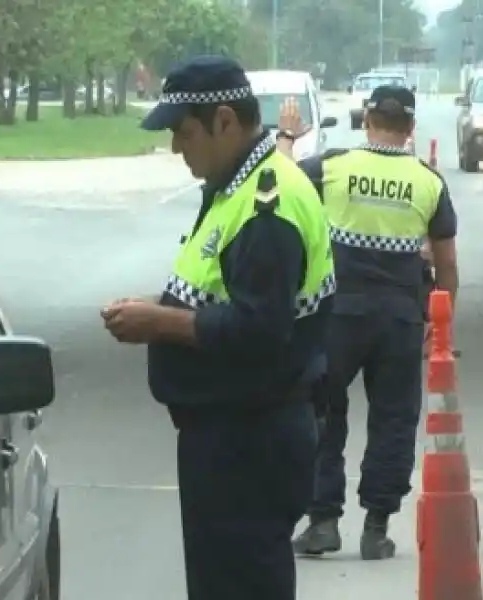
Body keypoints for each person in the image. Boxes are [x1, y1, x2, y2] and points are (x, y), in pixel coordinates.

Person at [100, 55, 336, 600]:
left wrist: (159, 322)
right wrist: (159, 308)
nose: (176, 148)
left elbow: (261, 328)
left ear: (224, 121)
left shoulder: (266, 207)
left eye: (183, 133)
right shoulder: (237, 186)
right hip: (232, 435)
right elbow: (222, 291)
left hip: (250, 441)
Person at [275, 86, 459, 559]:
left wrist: (286, 137)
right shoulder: (428, 182)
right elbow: (447, 266)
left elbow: (276, 187)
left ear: (366, 120)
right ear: (411, 129)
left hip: (336, 315)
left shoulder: (332, 168)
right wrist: (440, 320)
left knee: (322, 411)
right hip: (398, 319)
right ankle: (376, 528)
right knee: (394, 419)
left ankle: (322, 522)